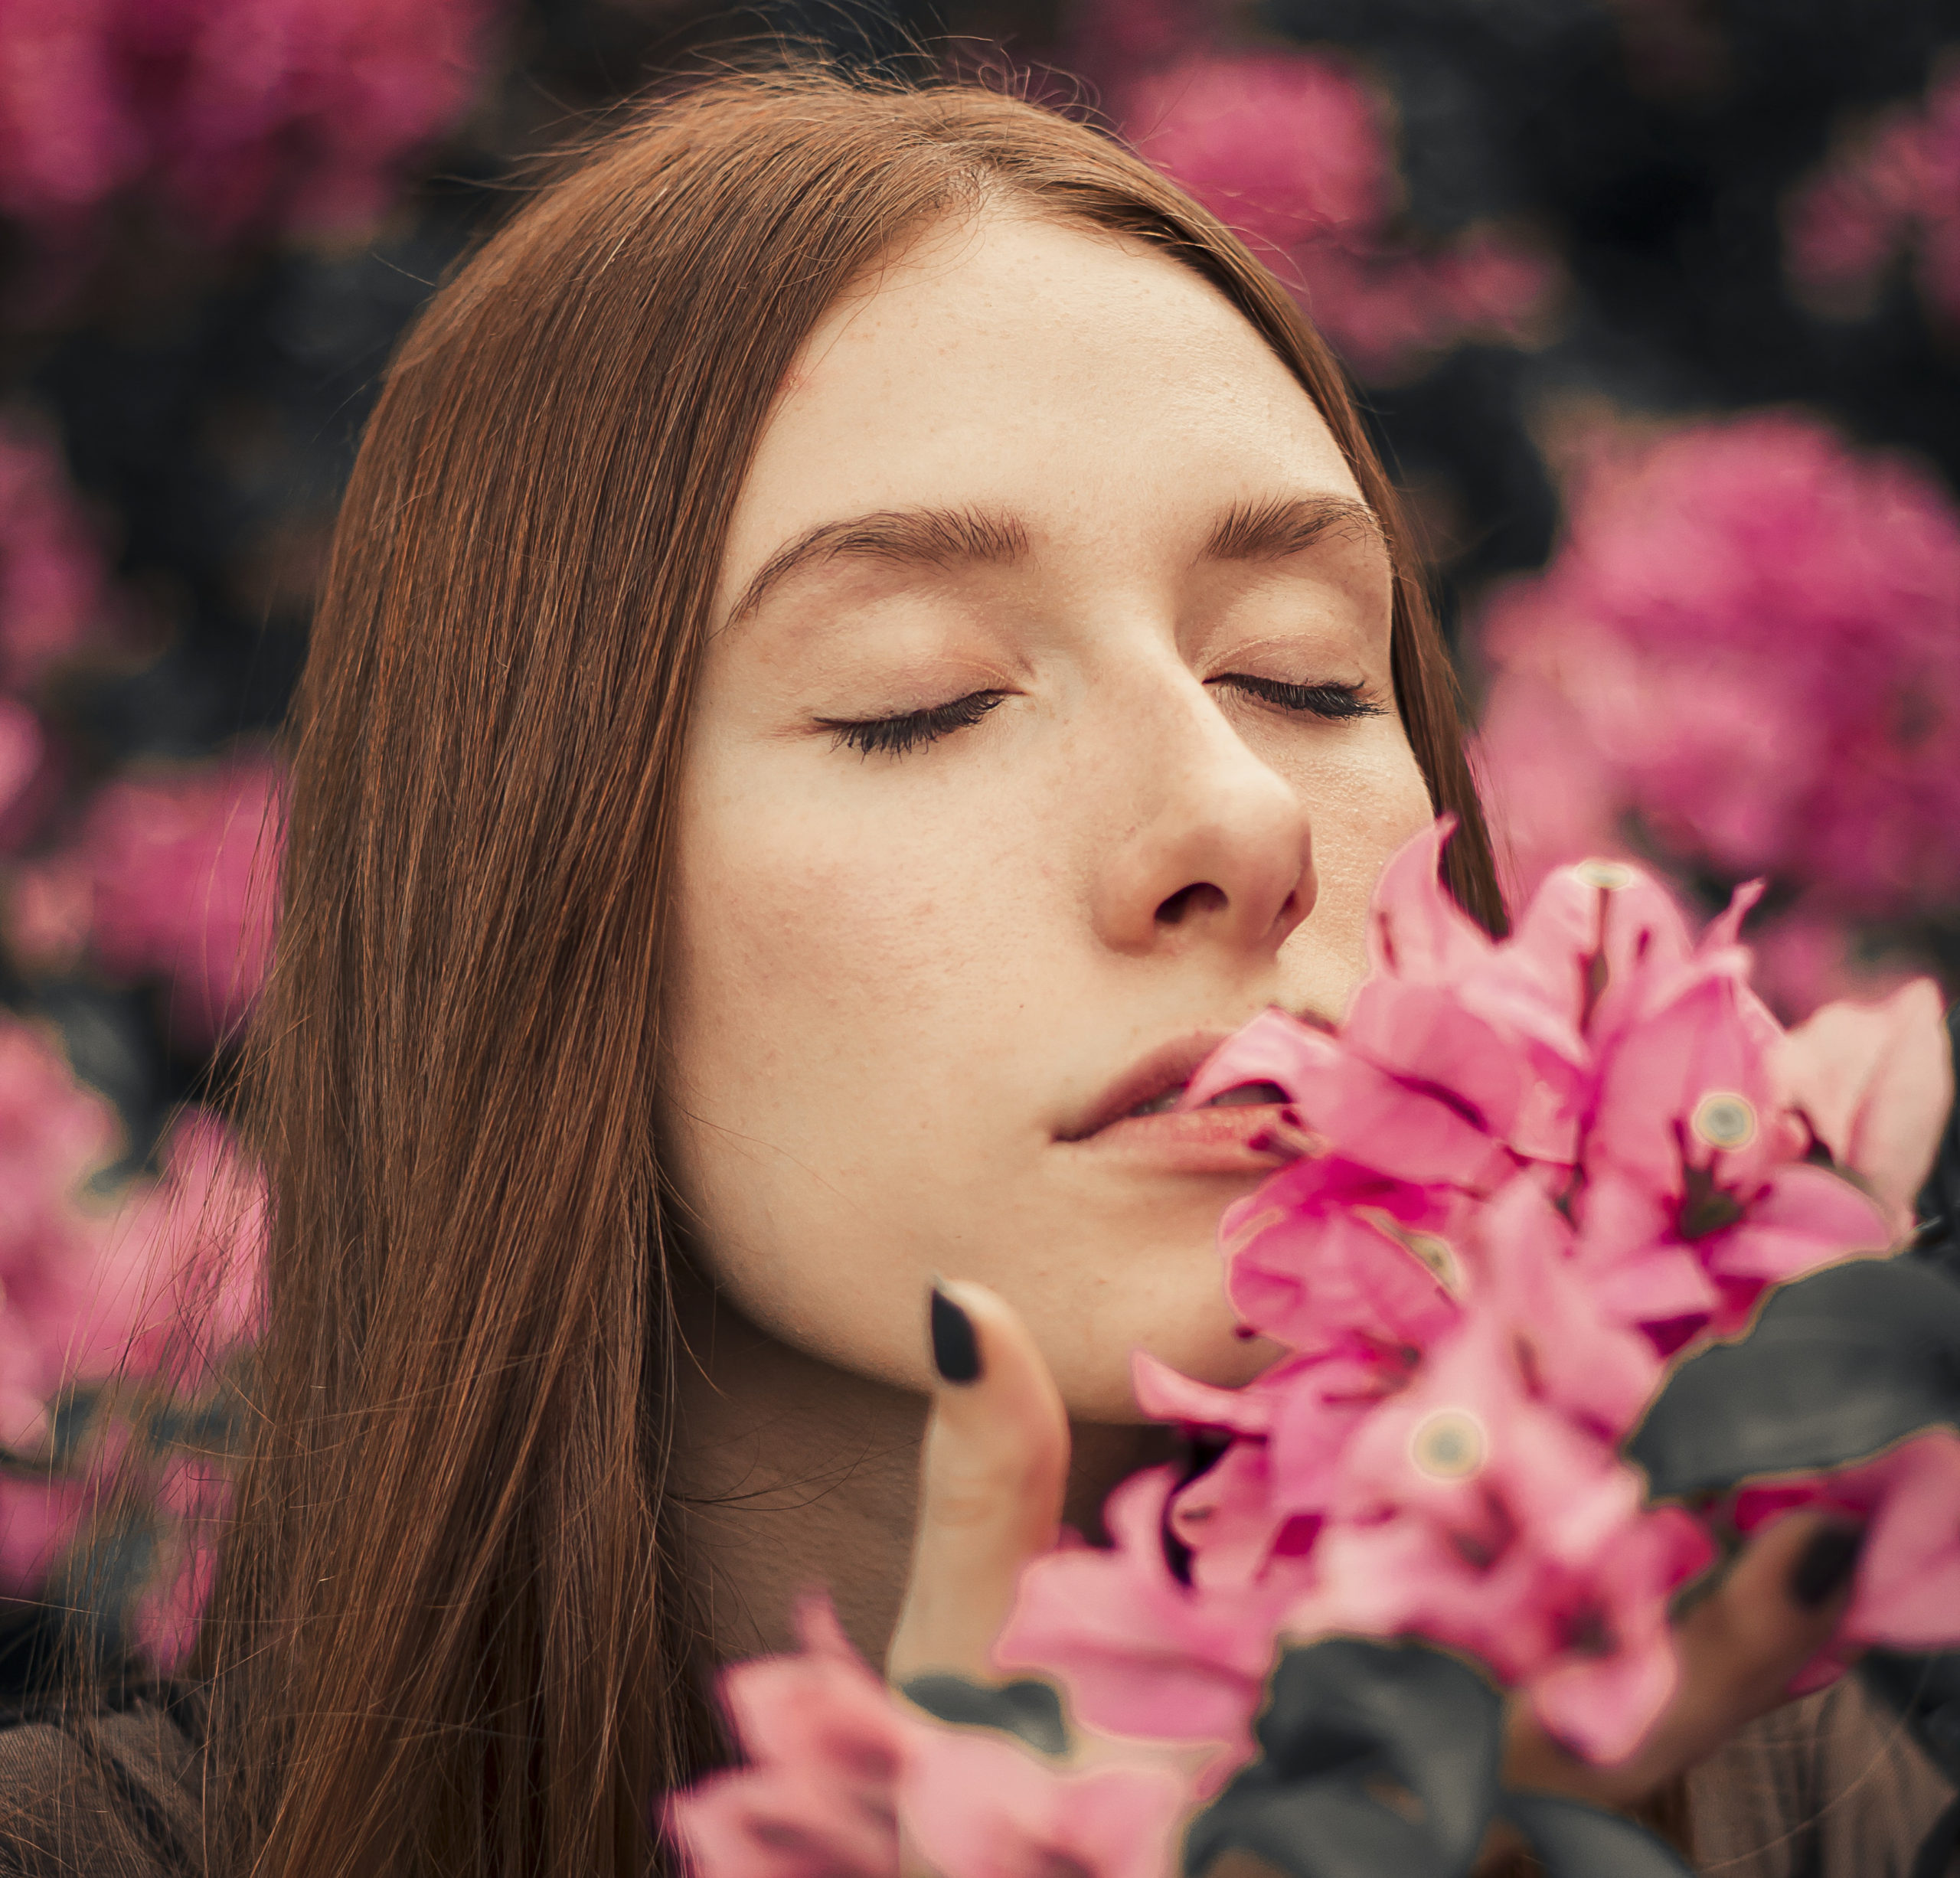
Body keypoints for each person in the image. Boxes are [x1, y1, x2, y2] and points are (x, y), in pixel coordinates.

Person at [0, 62, 1948, 1878]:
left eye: (1300, 676)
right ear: (525, 910)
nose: (1235, 810)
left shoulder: (1776, 1781)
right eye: (918, 702)